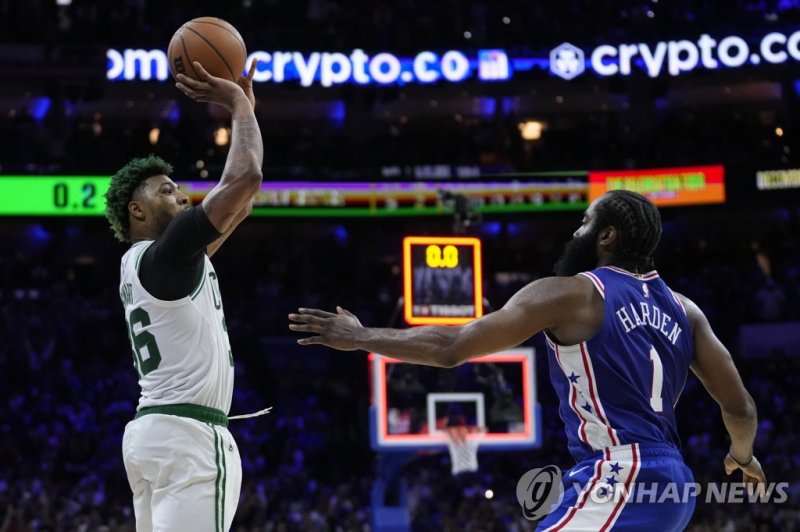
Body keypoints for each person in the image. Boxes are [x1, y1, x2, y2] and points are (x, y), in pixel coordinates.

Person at [289, 190, 766, 531]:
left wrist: (361, 337)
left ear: (607, 235)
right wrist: (742, 457)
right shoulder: (686, 311)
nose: (575, 232)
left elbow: (452, 347)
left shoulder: (575, 294)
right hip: (674, 485)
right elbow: (741, 409)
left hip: (622, 473)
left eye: (584, 223)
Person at [104, 60, 263, 531]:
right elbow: (246, 178)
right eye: (167, 190)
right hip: (189, 437)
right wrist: (235, 102)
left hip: (152, 434)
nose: (183, 197)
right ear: (137, 210)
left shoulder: (149, 263)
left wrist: (246, 114)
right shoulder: (167, 255)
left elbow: (241, 204)